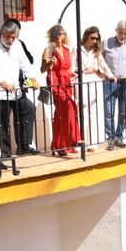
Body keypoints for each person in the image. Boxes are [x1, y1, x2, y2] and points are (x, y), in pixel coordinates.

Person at [0, 18, 35, 167]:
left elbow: (25, 63)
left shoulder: (16, 44)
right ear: (1, 33)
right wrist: (2, 82)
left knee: (13, 118)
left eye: (14, 37)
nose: (11, 40)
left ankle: (9, 153)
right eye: (8, 37)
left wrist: (32, 78)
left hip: (13, 91)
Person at [42, 23, 80, 158]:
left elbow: (68, 69)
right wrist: (50, 63)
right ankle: (74, 139)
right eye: (55, 34)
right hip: (55, 84)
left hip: (66, 84)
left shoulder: (67, 50)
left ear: (64, 36)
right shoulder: (49, 50)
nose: (58, 36)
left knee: (61, 115)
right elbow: (42, 69)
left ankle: (60, 145)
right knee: (68, 108)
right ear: (52, 36)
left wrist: (73, 74)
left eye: (60, 34)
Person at [102, 19, 126, 148]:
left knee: (124, 112)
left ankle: (119, 136)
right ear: (116, 31)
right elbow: (99, 60)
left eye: (125, 33)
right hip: (111, 81)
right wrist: (103, 74)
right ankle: (111, 139)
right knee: (109, 112)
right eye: (120, 33)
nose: (123, 36)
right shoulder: (106, 43)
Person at [77, 25, 110, 147]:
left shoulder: (96, 52)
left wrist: (110, 76)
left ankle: (92, 142)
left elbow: (103, 65)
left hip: (93, 82)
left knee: (93, 111)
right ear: (86, 36)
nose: (94, 41)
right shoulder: (77, 49)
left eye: (96, 39)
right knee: (82, 111)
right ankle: (81, 141)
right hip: (81, 81)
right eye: (92, 38)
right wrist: (82, 71)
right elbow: (72, 67)